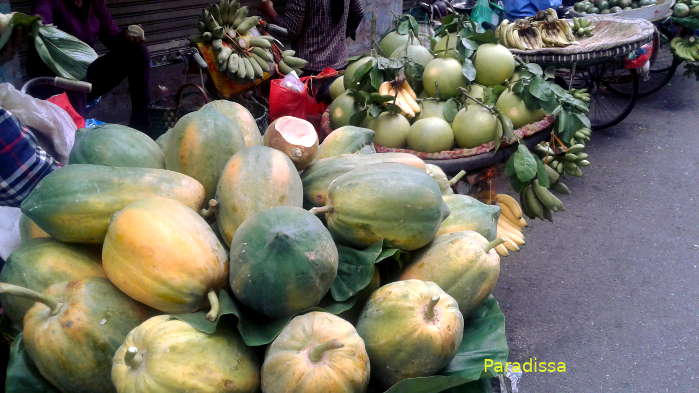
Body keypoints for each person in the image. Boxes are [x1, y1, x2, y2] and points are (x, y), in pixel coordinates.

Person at [31, 0, 151, 129]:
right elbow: (41, 18)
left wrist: (127, 36)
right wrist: (38, 23)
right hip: (56, 80)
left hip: (85, 75)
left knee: (137, 52)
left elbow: (112, 38)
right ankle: (76, 121)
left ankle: (142, 126)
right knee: (75, 129)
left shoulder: (94, 3)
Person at [260, 0, 364, 74]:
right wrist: (339, 37)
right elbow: (358, 13)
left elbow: (290, 30)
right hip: (340, 66)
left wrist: (270, 11)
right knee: (335, 105)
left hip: (311, 71)